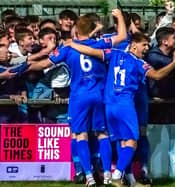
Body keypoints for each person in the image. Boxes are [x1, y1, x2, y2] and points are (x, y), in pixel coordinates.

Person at [65, 32, 175, 187]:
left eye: (148, 45)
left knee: (122, 142)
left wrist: (73, 45)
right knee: (132, 142)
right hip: (125, 105)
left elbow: (91, 52)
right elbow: (158, 75)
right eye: (144, 45)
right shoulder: (138, 62)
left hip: (109, 105)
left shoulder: (114, 54)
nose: (146, 48)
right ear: (133, 44)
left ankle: (128, 180)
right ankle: (117, 174)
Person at [27, 9, 127, 187]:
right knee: (102, 133)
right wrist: (119, 17)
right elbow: (121, 36)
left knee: (80, 135)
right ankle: (106, 174)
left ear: (76, 31)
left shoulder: (68, 48)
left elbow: (44, 64)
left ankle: (88, 176)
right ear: (90, 31)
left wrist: (24, 66)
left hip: (79, 96)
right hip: (98, 93)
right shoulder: (98, 44)